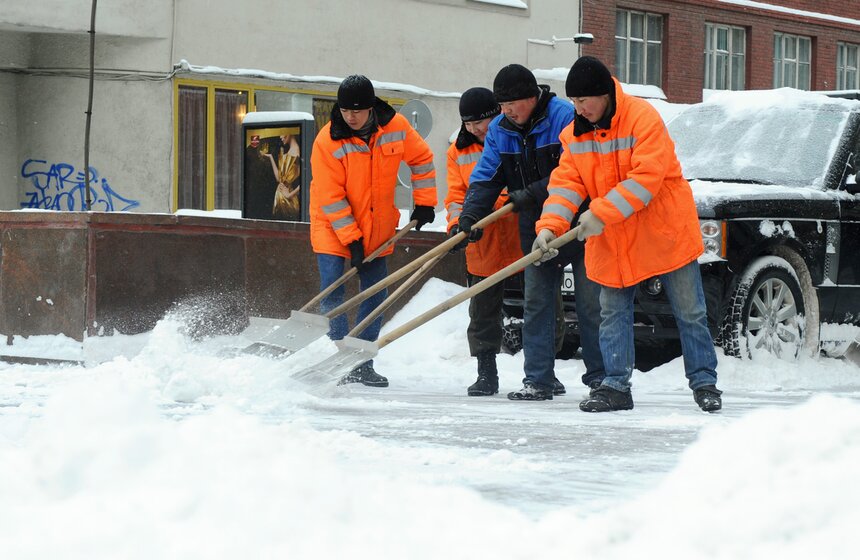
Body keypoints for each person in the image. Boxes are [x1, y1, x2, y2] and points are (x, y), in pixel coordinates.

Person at [535, 56, 722, 412]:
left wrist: (600, 213)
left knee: (689, 310)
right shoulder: (575, 134)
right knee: (612, 312)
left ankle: (704, 383)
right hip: (614, 232)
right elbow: (565, 185)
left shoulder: (642, 118)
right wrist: (549, 227)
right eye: (573, 102)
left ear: (604, 94)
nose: (578, 108)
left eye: (583, 101)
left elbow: (647, 178)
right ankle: (616, 386)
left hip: (662, 228)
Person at [458, 64, 605, 401]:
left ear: (532, 97)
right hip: (534, 224)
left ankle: (600, 379)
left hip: (581, 219)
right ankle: (538, 379)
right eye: (503, 106)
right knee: (536, 303)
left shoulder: (565, 117)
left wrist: (532, 192)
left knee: (590, 304)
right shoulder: (499, 129)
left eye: (513, 105)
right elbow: (486, 176)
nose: (507, 112)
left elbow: (575, 170)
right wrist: (470, 216)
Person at [309, 74, 437, 387]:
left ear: (371, 109)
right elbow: (330, 196)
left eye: (356, 110)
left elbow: (422, 160)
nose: (349, 116)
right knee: (335, 292)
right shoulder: (328, 140)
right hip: (332, 225)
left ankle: (361, 361)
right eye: (344, 110)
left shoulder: (396, 128)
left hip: (378, 227)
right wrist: (352, 241)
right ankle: (338, 359)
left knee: (377, 294)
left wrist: (425, 203)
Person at [444, 87, 523, 396]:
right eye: (469, 123)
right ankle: (486, 373)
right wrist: (457, 224)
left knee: (543, 308)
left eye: (482, 121)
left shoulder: (514, 136)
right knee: (482, 313)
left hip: (521, 235)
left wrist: (497, 204)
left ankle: (545, 372)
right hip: (483, 241)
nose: (476, 129)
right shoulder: (457, 151)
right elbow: (455, 197)